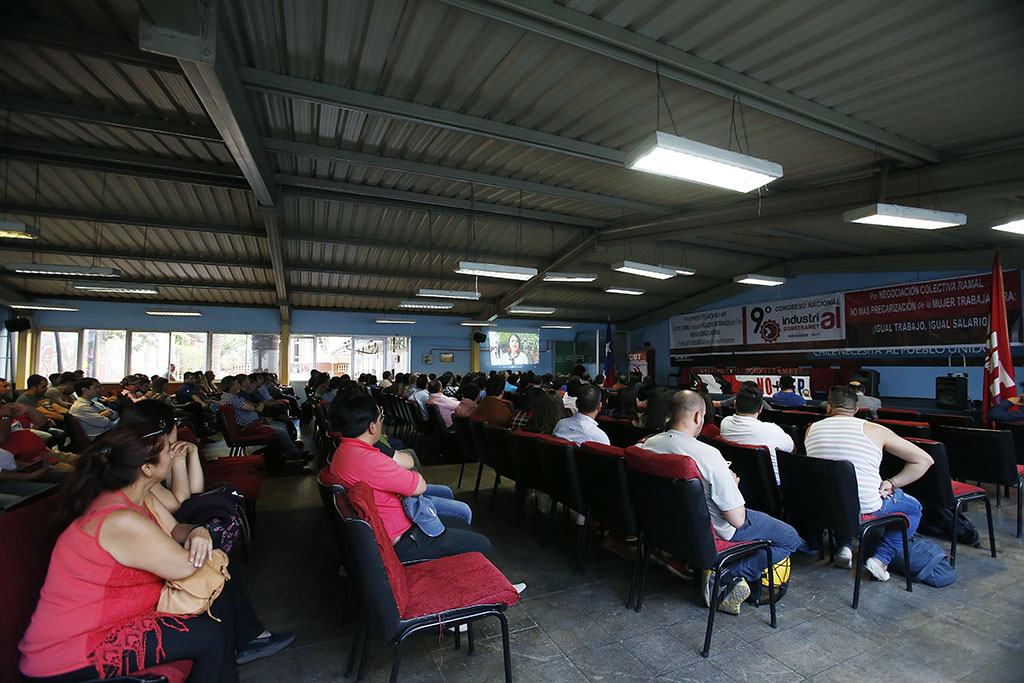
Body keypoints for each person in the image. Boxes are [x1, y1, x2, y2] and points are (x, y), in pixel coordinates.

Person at [18, 423, 293, 681]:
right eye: (168, 450)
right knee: (208, 634)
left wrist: (197, 531)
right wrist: (206, 542)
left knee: (216, 602)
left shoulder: (138, 496)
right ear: (147, 468)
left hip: (117, 620)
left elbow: (175, 529)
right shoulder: (119, 518)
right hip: (74, 648)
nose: (173, 453)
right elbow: (184, 567)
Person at [639, 390, 802, 615]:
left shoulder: (649, 445)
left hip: (670, 526)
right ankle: (726, 574)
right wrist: (733, 485)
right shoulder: (708, 455)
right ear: (698, 417)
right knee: (790, 537)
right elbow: (737, 519)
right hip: (715, 530)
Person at [322, 395, 491, 562]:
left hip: (394, 528)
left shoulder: (343, 452)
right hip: (404, 541)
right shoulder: (369, 460)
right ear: (372, 427)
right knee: (482, 543)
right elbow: (419, 485)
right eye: (381, 419)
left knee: (459, 522)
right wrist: (411, 477)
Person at [804, 386, 932, 577]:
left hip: (824, 506)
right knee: (914, 509)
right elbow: (924, 460)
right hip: (865, 507)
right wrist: (892, 482)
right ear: (856, 410)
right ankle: (881, 560)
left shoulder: (810, 430)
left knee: (841, 495)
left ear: (828, 408)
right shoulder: (875, 430)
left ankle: (844, 546)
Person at [220, 375, 309, 462]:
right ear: (231, 386)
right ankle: (295, 453)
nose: (239, 385)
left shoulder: (231, 397)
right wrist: (255, 408)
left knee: (282, 425)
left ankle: (287, 450)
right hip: (248, 427)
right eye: (237, 384)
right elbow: (250, 407)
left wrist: (256, 410)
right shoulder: (231, 398)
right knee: (280, 430)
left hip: (252, 424)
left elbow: (251, 406)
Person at [719, 385, 795, 484]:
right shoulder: (772, 430)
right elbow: (792, 449)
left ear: (734, 404)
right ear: (760, 409)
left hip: (737, 484)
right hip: (770, 487)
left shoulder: (725, 423)